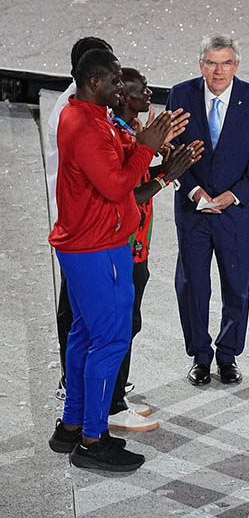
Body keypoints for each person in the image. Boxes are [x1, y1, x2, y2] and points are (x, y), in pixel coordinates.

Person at [47, 49, 185, 472]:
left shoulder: (86, 116)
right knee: (110, 340)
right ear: (93, 83)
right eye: (112, 80)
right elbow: (116, 186)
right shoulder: (88, 126)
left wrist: (155, 162)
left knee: (85, 334)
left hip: (88, 244)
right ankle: (92, 439)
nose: (119, 86)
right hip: (98, 247)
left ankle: (71, 426)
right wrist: (147, 150)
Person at [167, 33, 249, 387]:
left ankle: (227, 355)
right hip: (193, 209)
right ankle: (200, 356)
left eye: (225, 63)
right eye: (211, 63)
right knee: (192, 285)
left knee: (236, 285)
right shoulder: (180, 95)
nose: (218, 71)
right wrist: (194, 190)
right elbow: (171, 148)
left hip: (236, 212)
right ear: (201, 65)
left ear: (236, 65)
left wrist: (234, 195)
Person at [108, 68, 203, 432]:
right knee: (119, 327)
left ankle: (118, 399)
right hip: (121, 249)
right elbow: (126, 194)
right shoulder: (116, 135)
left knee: (129, 325)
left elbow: (140, 178)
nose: (150, 93)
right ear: (123, 97)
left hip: (138, 246)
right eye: (141, 89)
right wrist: (168, 174)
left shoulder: (130, 132)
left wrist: (172, 165)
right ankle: (112, 405)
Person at [45, 37, 113, 401]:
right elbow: (109, 178)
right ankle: (71, 383)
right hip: (78, 226)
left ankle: (80, 382)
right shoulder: (72, 112)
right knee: (74, 306)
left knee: (79, 307)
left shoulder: (88, 106)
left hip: (86, 223)